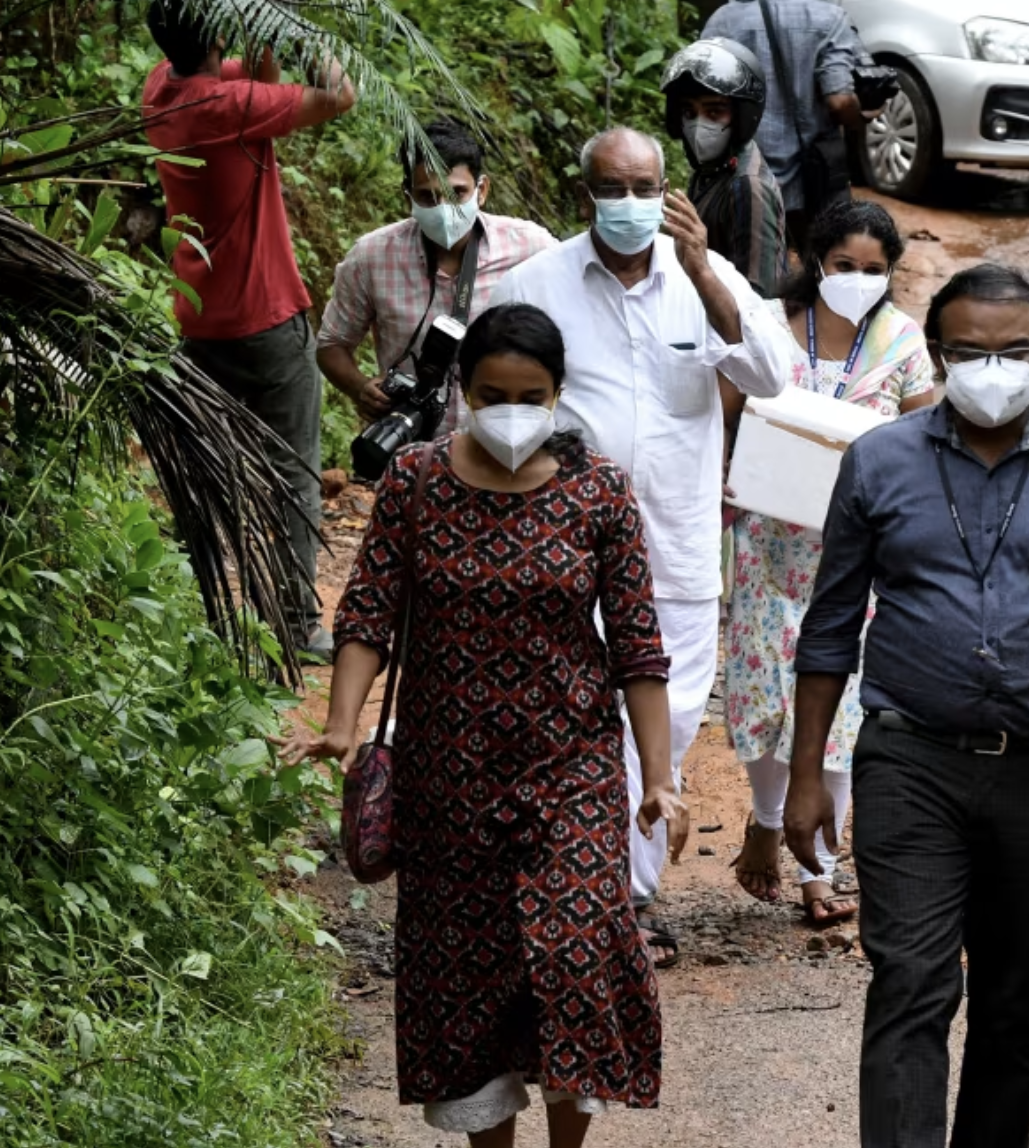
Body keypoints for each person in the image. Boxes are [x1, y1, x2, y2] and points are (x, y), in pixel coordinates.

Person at [280, 302, 687, 1146]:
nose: (511, 410)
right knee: (466, 979)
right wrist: (341, 723)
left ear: (558, 394)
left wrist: (659, 779)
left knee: (578, 953)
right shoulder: (415, 481)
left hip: (572, 768)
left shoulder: (599, 490)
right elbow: (369, 614)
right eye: (493, 394)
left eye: (530, 396)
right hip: (446, 779)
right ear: (463, 391)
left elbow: (639, 648)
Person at [786, 264, 1029, 1148]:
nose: (991, 370)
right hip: (909, 758)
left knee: (1011, 994)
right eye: (968, 352)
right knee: (911, 982)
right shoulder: (878, 460)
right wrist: (806, 778)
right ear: (935, 354)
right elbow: (830, 626)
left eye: (1012, 351)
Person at [488, 127, 793, 967]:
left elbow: (772, 376)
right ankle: (594, 891)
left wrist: (703, 273)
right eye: (612, 189)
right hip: (561, 547)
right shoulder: (534, 285)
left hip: (677, 546)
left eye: (644, 189)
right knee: (564, 712)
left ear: (668, 192)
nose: (629, 204)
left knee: (669, 718)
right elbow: (484, 404)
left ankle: (619, 890)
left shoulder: (707, 276)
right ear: (584, 193)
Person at [723, 199, 936, 926]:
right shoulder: (768, 327)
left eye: (874, 269)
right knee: (762, 693)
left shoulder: (902, 340)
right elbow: (727, 411)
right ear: (815, 261)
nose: (858, 279)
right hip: (768, 541)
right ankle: (765, 817)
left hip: (857, 554)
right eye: (845, 265)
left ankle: (819, 868)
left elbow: (923, 436)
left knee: (843, 707)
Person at [141, 0, 358, 660]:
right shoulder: (227, 107)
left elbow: (257, 83)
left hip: (199, 318)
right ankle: (297, 625)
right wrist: (295, 27)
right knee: (294, 472)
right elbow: (338, 95)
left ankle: (198, 616)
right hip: (264, 320)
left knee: (205, 472)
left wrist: (262, 38)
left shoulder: (163, 88)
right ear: (216, 36)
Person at [317, 117, 557, 435]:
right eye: (428, 196)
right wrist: (360, 387)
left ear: (481, 190)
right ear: (408, 197)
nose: (444, 209)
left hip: (504, 440)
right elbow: (332, 344)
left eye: (457, 193)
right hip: (411, 444)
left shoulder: (530, 247)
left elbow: (573, 332)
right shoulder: (372, 256)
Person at [702, 0, 873, 251]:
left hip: (745, 177)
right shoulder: (831, 19)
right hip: (812, 180)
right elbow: (840, 100)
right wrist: (862, 116)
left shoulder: (724, 20)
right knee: (821, 261)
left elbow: (704, 99)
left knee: (745, 264)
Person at [663, 38, 789, 296]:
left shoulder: (748, 187)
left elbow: (758, 297)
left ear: (742, 116)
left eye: (714, 112)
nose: (698, 125)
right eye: (689, 113)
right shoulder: (711, 170)